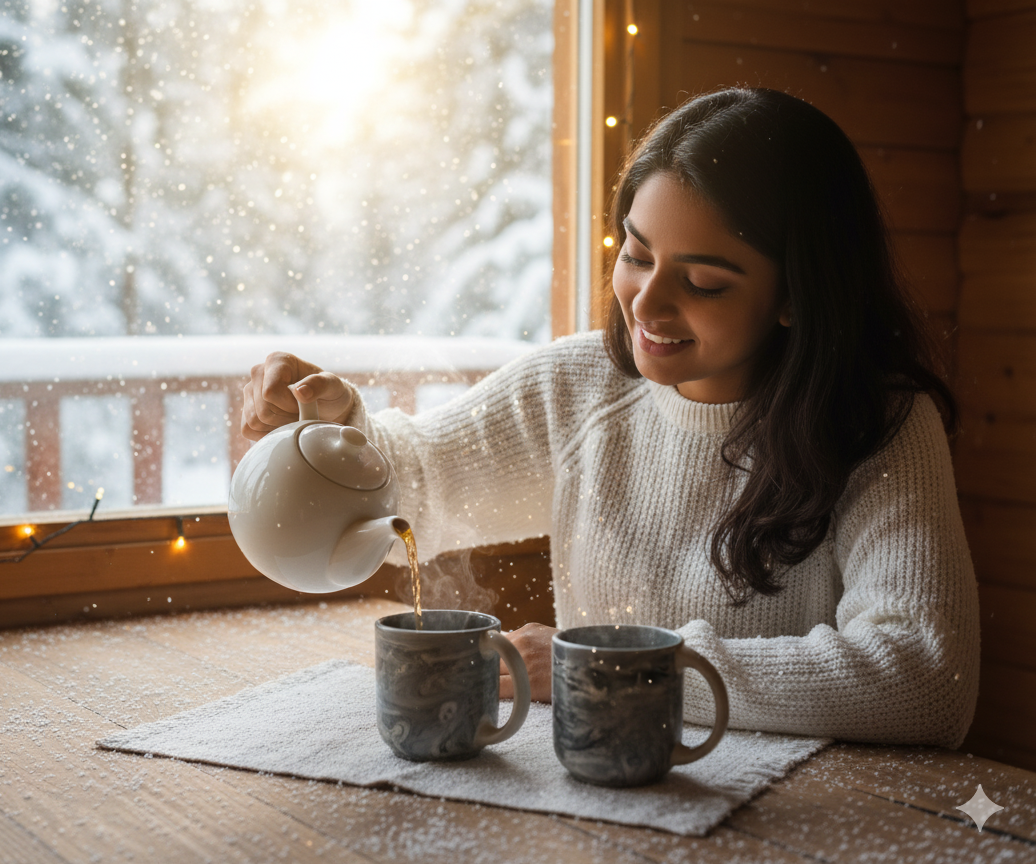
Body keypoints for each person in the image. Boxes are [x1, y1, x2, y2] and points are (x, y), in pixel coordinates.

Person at [240, 88, 979, 748]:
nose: (647, 304)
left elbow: (923, 680)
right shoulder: (577, 387)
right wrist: (336, 433)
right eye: (636, 253)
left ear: (797, 297)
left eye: (701, 282)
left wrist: (610, 667)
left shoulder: (879, 425)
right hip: (610, 807)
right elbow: (418, 486)